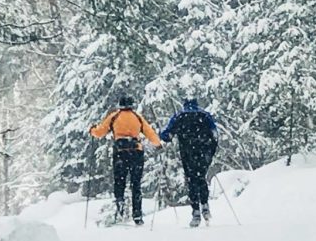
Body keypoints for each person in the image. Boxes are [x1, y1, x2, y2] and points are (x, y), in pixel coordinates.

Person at [89, 94, 161, 225]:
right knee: (136, 185)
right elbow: (149, 132)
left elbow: (100, 132)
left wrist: (92, 130)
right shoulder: (137, 117)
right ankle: (137, 215)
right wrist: (158, 144)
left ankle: (120, 210)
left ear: (120, 105)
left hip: (120, 154)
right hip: (136, 153)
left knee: (119, 183)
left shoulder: (115, 116)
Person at [160, 97, 219, 227]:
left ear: (185, 104)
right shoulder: (204, 115)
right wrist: (210, 150)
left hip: (188, 152)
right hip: (203, 152)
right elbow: (215, 134)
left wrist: (166, 137)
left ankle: (196, 211)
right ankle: (205, 205)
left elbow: (166, 134)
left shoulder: (179, 116)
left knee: (192, 179)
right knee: (201, 178)